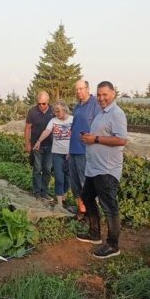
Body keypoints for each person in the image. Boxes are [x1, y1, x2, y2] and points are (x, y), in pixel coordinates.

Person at [77, 81, 128, 259]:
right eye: (99, 95)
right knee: (87, 197)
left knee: (109, 207)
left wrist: (96, 139)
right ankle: (95, 234)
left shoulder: (116, 114)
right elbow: (98, 136)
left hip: (107, 169)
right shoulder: (101, 113)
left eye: (104, 94)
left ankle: (113, 245)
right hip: (94, 168)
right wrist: (88, 137)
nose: (101, 98)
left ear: (113, 93)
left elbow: (121, 140)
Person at [68, 80, 100, 216]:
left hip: (86, 151)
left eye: (81, 89)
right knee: (74, 184)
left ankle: (93, 214)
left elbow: (101, 126)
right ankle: (82, 211)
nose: (78, 91)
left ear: (88, 88)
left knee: (85, 183)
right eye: (76, 89)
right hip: (74, 150)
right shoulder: (77, 106)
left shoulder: (95, 105)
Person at [33, 100, 73, 207]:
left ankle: (64, 196)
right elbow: (47, 131)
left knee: (67, 178)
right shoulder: (53, 121)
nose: (56, 114)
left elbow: (76, 136)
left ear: (64, 109)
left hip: (69, 154)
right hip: (57, 153)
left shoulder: (72, 120)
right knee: (59, 177)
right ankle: (59, 204)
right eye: (55, 112)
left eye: (58, 111)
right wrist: (39, 141)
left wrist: (71, 151)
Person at [24, 91, 55, 200]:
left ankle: (44, 191)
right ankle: (36, 191)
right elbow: (27, 128)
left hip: (50, 145)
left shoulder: (53, 111)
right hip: (36, 145)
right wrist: (27, 143)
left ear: (48, 102)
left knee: (47, 168)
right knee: (37, 168)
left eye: (43, 104)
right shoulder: (32, 111)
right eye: (39, 103)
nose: (41, 106)